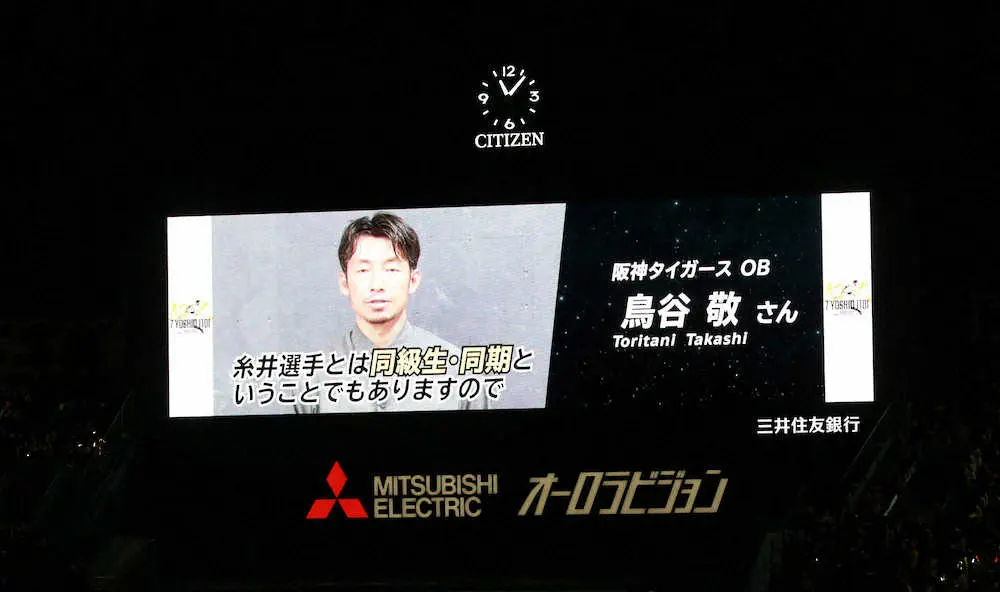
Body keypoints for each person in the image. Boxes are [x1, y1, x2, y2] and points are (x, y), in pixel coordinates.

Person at [296, 212, 487, 414]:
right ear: (344, 283)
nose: (377, 284)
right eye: (363, 270)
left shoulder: (459, 371)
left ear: (413, 281)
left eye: (391, 269)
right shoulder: (312, 377)